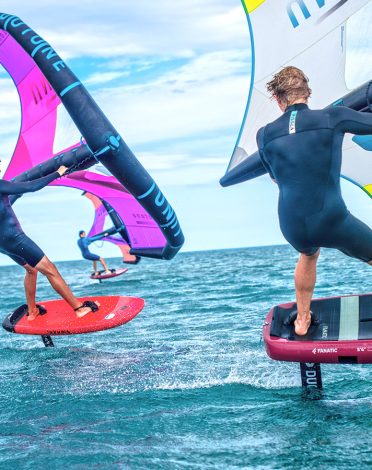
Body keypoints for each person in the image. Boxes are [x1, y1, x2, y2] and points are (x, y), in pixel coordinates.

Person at [256, 66, 372, 336]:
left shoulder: (264, 135)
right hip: (332, 219)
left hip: (291, 224)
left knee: (308, 253)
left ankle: (302, 320)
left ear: (278, 99)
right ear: (307, 92)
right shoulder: (333, 117)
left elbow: (274, 177)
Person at [0, 165, 99, 320]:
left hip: (3, 244)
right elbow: (31, 187)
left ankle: (32, 312)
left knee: (32, 270)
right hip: (15, 238)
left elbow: (8, 200)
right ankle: (79, 308)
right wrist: (57, 173)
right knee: (50, 269)